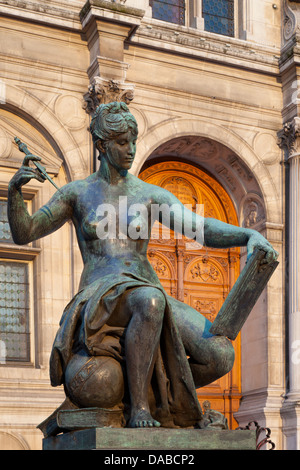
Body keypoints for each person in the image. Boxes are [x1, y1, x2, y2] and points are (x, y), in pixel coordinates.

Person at [8, 102, 278, 429]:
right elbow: (25, 233)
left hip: (145, 287)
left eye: (133, 141)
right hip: (102, 292)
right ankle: (139, 410)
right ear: (101, 145)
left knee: (220, 355)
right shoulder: (76, 194)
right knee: (149, 301)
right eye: (122, 142)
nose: (131, 150)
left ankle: (154, 391)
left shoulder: (149, 195)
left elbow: (200, 227)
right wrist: (14, 190)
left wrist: (248, 234)